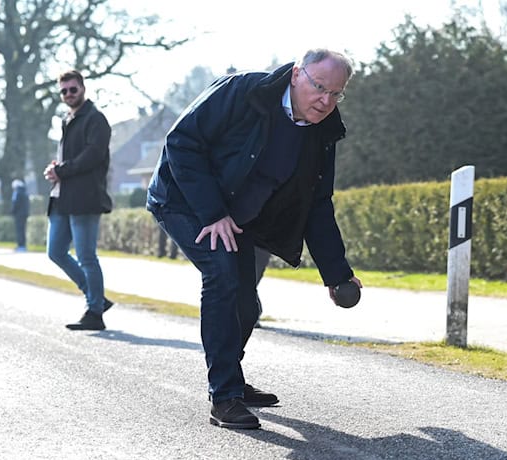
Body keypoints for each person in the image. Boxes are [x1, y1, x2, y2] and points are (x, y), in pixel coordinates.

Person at [147, 48, 363, 430]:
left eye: (336, 93)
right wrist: (212, 213)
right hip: (184, 199)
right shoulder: (242, 91)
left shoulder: (323, 132)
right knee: (222, 276)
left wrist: (336, 274)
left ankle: (233, 378)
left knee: (247, 303)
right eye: (319, 87)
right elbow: (181, 142)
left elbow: (317, 203)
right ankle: (224, 397)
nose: (326, 101)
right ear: (297, 74)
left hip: (240, 216)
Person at [44, 69, 114, 331]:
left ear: (83, 88)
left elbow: (93, 155)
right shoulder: (67, 119)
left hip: (85, 198)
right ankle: (97, 297)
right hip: (62, 197)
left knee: (86, 256)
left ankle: (95, 312)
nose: (69, 94)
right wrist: (55, 169)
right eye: (64, 91)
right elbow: (72, 157)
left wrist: (61, 170)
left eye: (73, 89)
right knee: (55, 251)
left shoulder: (96, 119)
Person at [11, 178, 30, 252]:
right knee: (23, 229)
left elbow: (15, 203)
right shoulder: (24, 192)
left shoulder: (17, 193)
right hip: (24, 214)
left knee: (19, 230)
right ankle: (23, 245)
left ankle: (21, 246)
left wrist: (12, 211)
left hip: (19, 214)